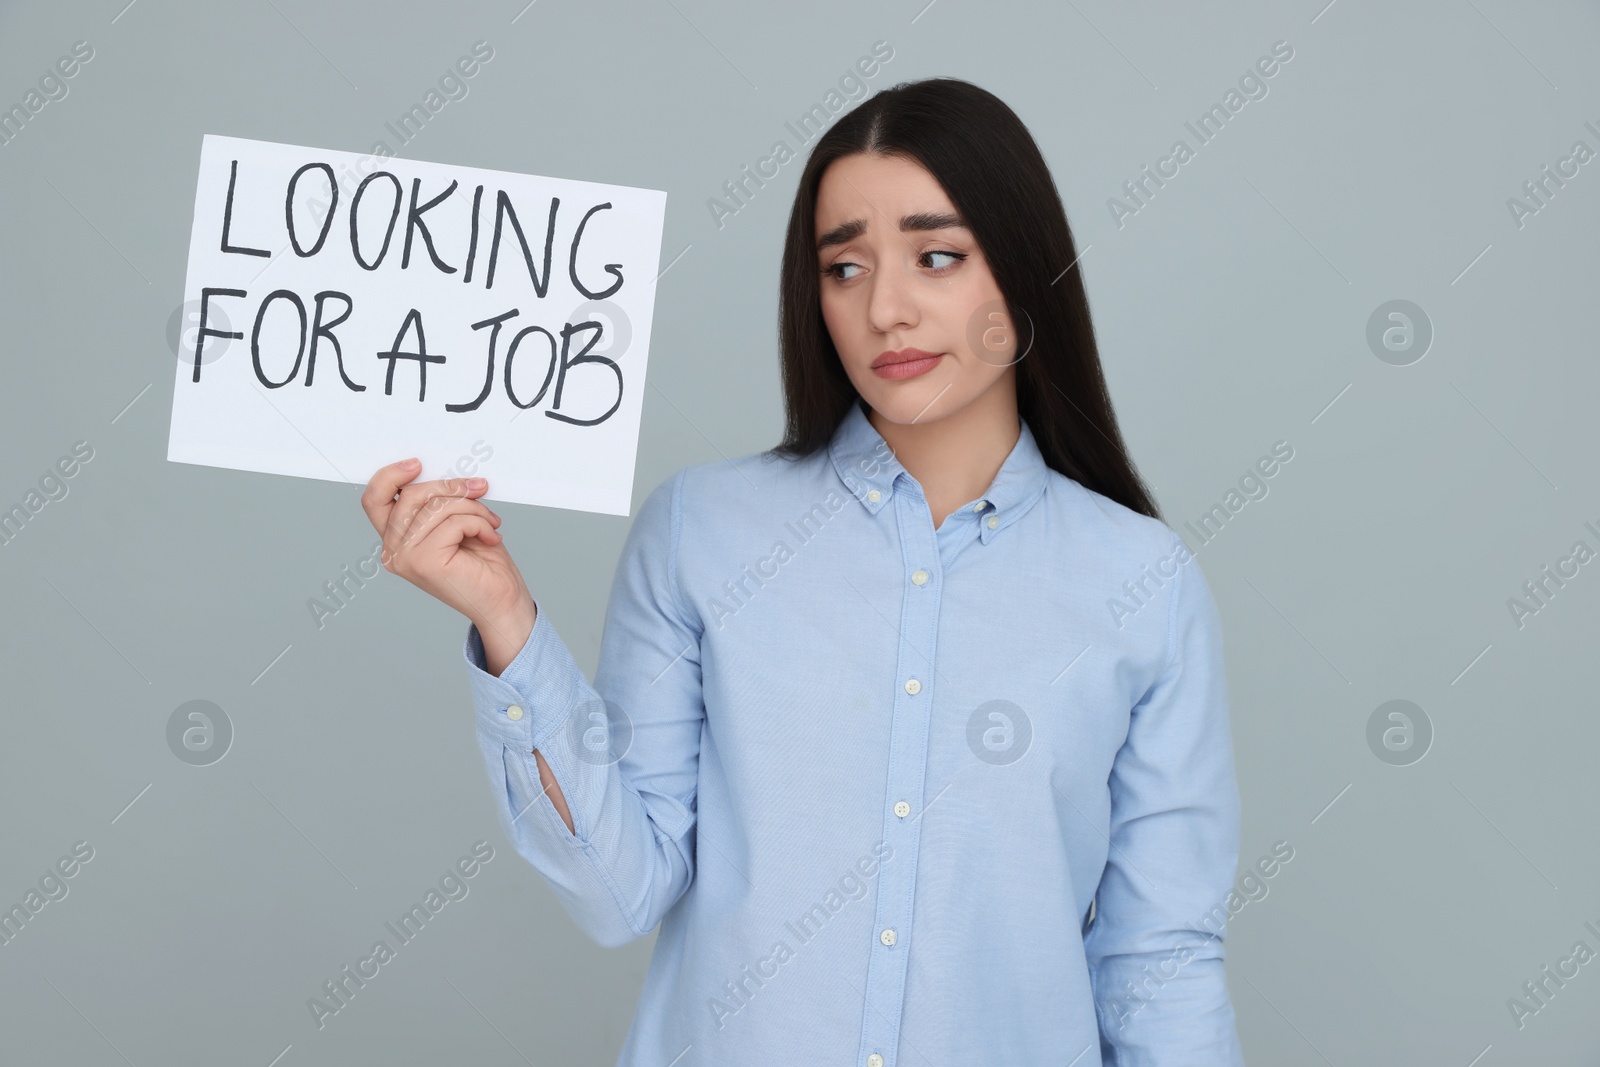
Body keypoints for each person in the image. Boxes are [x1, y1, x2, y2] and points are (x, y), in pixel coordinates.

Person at [361, 77, 1245, 1066]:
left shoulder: (1141, 583)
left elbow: (1156, 957)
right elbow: (622, 891)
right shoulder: (702, 531)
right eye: (843, 267)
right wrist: (505, 618)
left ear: (1021, 273)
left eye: (936, 256)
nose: (886, 307)